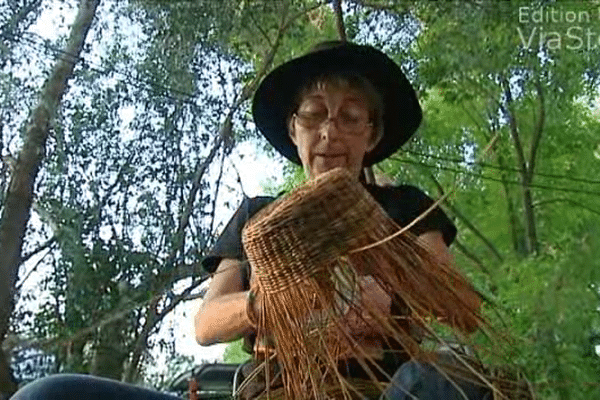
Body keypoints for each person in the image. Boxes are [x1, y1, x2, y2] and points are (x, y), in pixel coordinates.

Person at [195, 41, 489, 399]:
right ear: (293, 130)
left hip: (387, 390)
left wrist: (390, 263)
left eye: (349, 117)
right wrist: (270, 303)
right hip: (280, 389)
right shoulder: (257, 216)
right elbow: (207, 323)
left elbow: (467, 311)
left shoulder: (404, 207)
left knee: (446, 379)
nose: (329, 132)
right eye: (313, 114)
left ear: (372, 134)